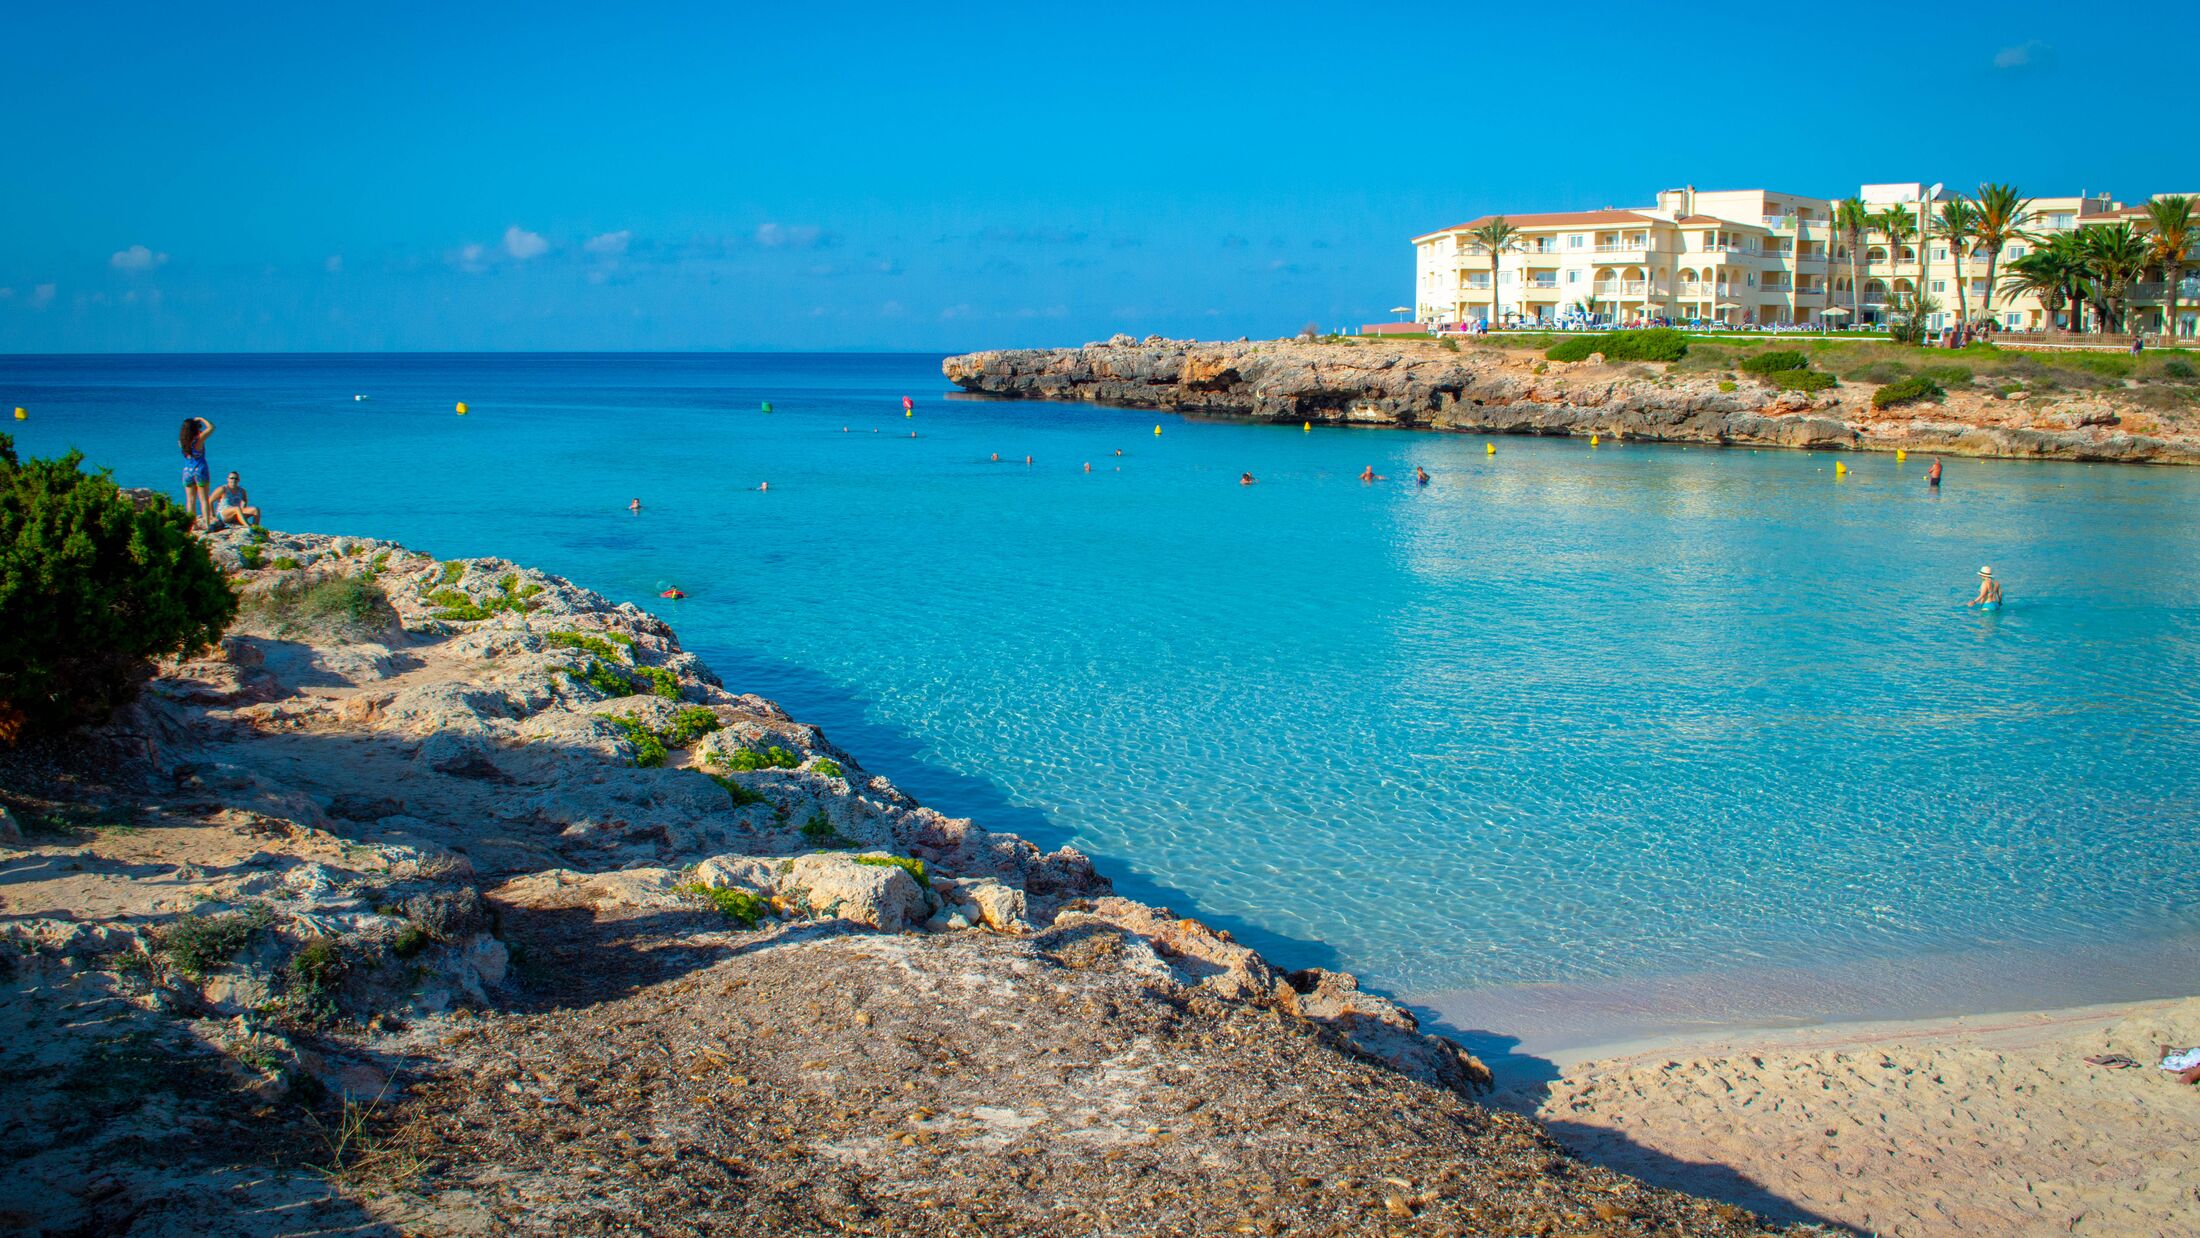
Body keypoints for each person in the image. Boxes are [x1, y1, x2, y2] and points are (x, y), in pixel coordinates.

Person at [178, 417, 214, 528]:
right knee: (203, 499)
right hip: (200, 470)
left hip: (187, 471)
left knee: (190, 499)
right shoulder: (198, 440)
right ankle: (207, 523)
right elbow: (212, 427)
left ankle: (192, 525)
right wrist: (202, 419)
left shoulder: (182, 442)